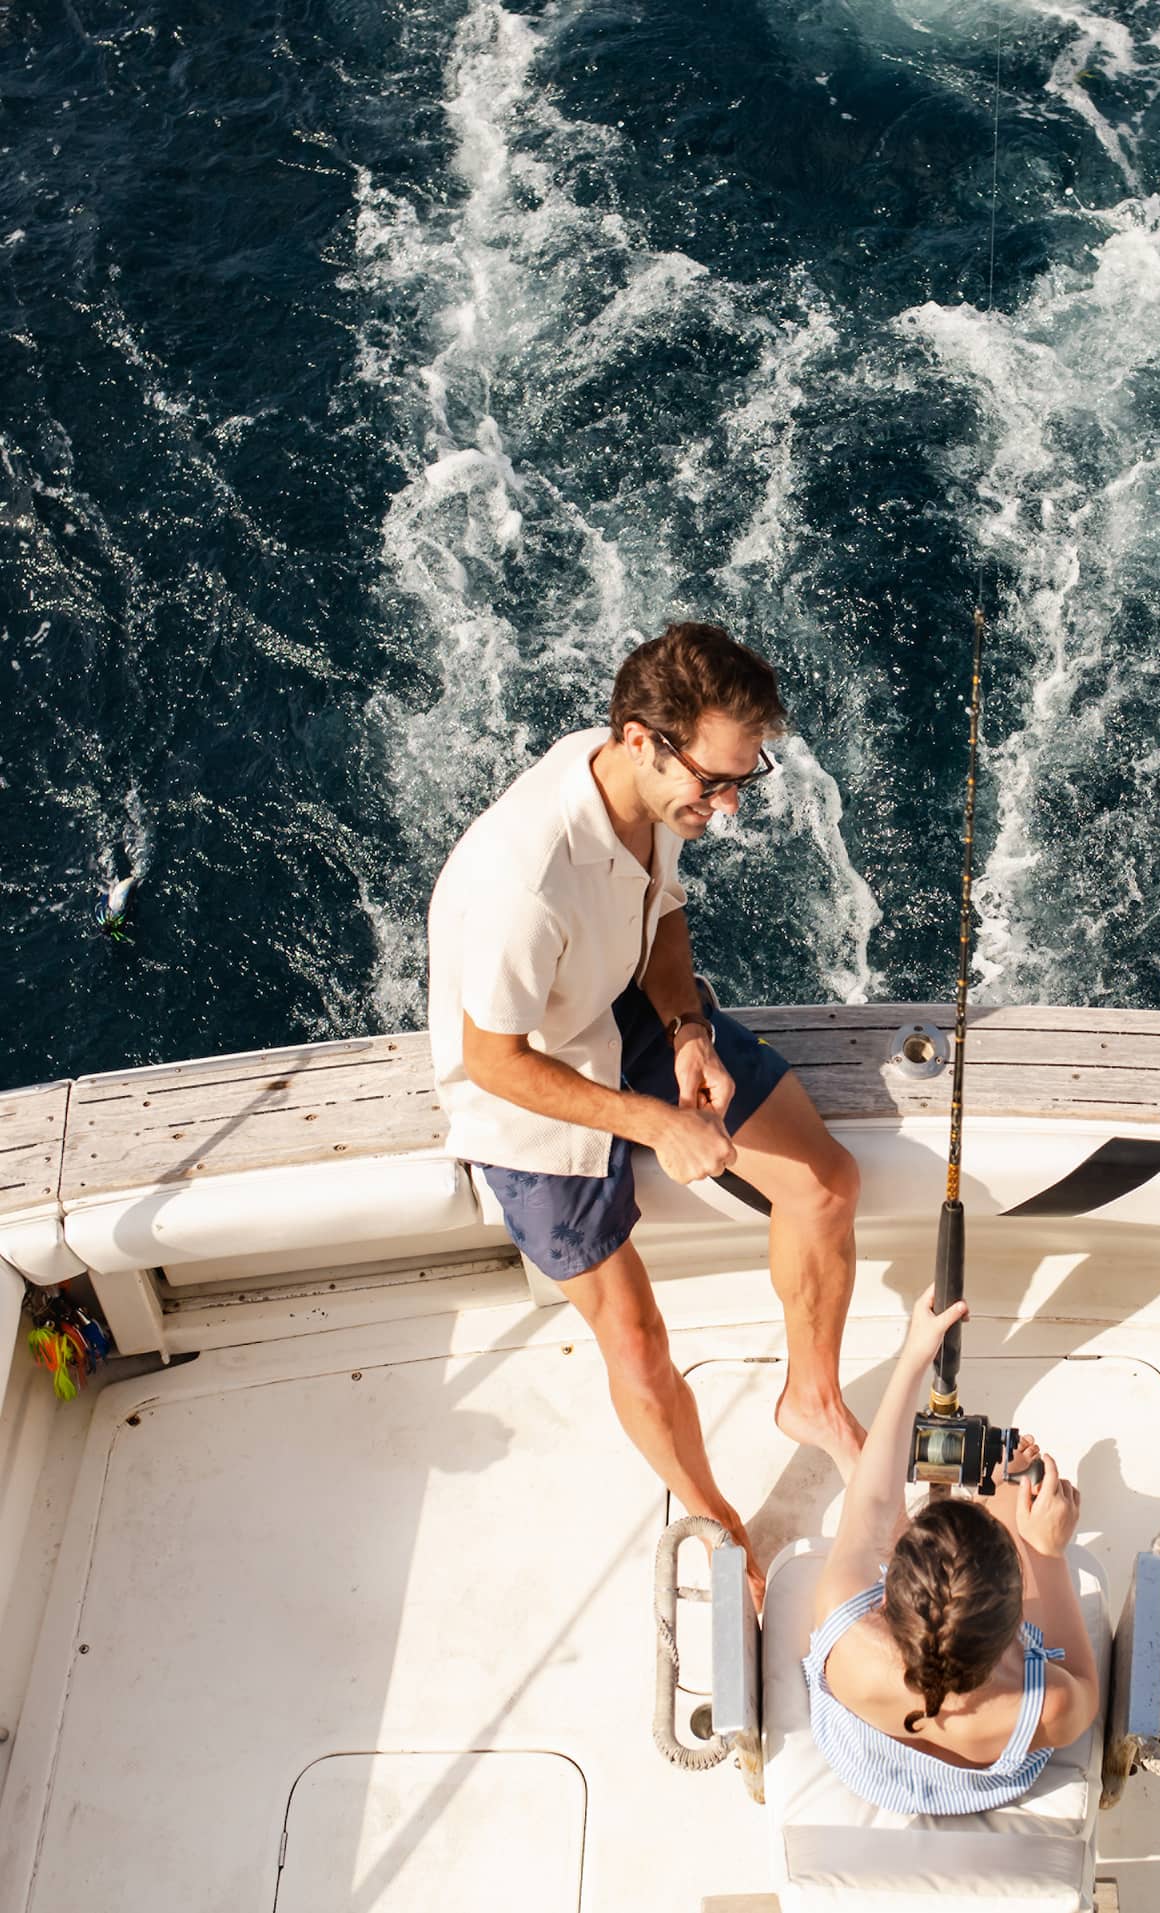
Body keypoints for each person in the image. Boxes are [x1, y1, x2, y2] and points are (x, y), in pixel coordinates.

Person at [427, 622, 865, 1582]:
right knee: (633, 1336)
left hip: (615, 1001)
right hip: (526, 1085)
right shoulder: (525, 879)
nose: (728, 805)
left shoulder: (650, 794)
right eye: (714, 782)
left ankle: (813, 1399)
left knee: (826, 1185)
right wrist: (657, 1121)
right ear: (641, 740)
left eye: (743, 780)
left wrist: (687, 1031)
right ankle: (721, 1524)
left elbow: (660, 913)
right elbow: (492, 1060)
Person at [803, 1288, 1100, 1814]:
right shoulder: (1043, 1704)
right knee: (1016, 1494)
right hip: (979, 1779)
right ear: (1014, 1627)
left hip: (864, 1763)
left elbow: (871, 1500)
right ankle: (1004, 1494)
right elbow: (1086, 1687)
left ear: (887, 1596)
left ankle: (990, 1499)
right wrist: (1047, 1552)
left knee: (987, 1498)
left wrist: (914, 1356)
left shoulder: (845, 1629)